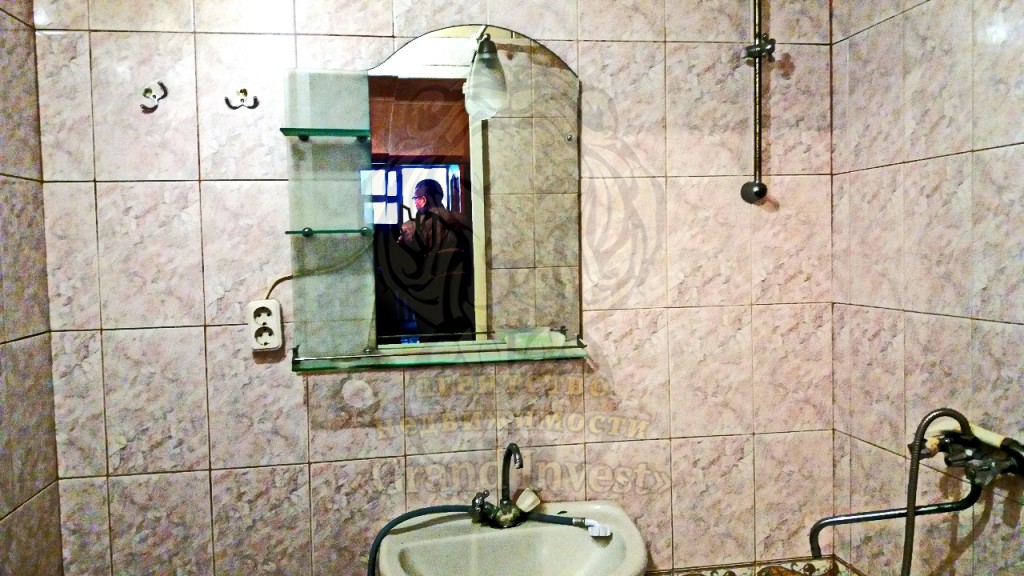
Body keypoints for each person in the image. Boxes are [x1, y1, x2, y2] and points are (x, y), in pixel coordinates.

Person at [394, 179, 474, 340]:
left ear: (424, 199)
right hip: (462, 291)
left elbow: (402, 260)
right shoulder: (463, 220)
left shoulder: (411, 227)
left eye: (416, 198)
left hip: (430, 294)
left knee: (431, 341)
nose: (415, 202)